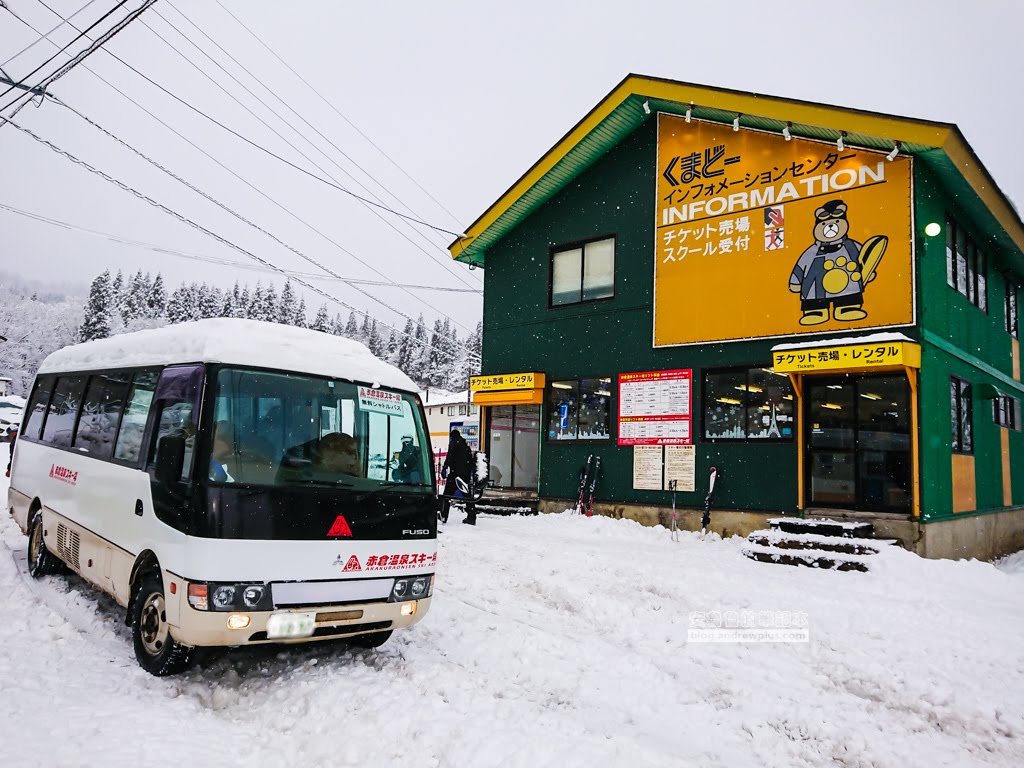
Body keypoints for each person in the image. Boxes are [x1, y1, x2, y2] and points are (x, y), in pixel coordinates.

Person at [439, 429, 473, 524]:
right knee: (467, 496)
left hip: (455, 475)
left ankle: (443, 515)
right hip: (464, 475)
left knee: (446, 495)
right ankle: (471, 516)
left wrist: (445, 467)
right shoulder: (466, 446)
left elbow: (449, 456)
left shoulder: (454, 443)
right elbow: (470, 461)